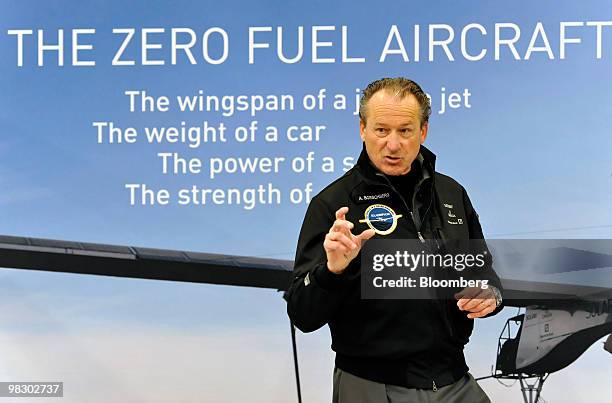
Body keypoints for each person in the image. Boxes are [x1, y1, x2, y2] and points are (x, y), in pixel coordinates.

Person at [283, 77, 503, 403]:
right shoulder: (332, 204)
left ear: (423, 132)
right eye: (382, 130)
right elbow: (302, 315)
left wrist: (490, 295)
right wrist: (333, 271)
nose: (393, 144)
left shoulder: (452, 194)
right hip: (371, 385)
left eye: (405, 130)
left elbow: (483, 271)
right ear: (363, 129)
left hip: (453, 380)